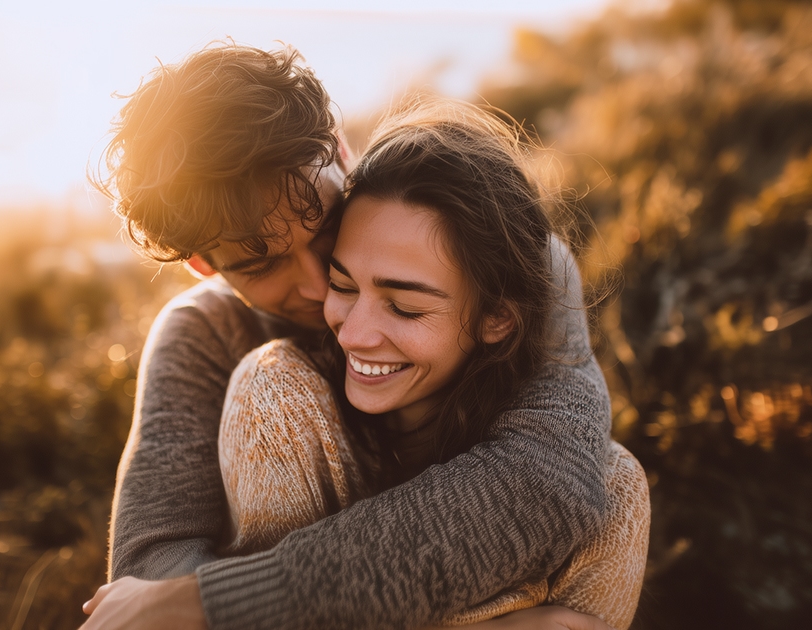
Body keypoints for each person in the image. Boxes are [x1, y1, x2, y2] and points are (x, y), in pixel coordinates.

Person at [81, 44, 617, 630]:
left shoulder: (510, 267)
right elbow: (151, 572)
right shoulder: (202, 334)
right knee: (275, 394)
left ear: (339, 151)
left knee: (621, 483)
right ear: (202, 266)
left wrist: (214, 601)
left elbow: (548, 482)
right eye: (261, 267)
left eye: (324, 228)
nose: (317, 287)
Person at [215, 100, 651, 628]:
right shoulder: (279, 403)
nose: (352, 334)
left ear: (498, 320)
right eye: (343, 285)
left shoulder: (597, 486)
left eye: (405, 307)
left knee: (620, 478)